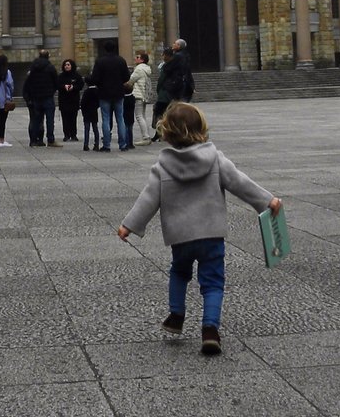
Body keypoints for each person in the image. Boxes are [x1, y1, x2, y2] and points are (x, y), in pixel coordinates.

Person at [118, 101, 282, 358]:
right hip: (211, 234)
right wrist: (266, 200)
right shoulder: (215, 158)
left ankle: (176, 315)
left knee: (179, 272)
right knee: (213, 282)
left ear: (167, 132)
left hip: (180, 237)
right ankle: (210, 331)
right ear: (202, 129)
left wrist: (129, 225)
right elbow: (240, 183)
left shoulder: (162, 166)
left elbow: (148, 199)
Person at [89, 38, 131, 152]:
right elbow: (127, 77)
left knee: (106, 119)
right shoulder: (121, 60)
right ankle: (123, 144)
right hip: (118, 92)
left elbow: (95, 78)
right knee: (120, 119)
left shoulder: (100, 61)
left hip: (104, 93)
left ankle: (106, 145)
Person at [23, 49, 59, 147]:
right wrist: (52, 91)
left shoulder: (33, 67)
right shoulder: (50, 67)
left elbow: (29, 82)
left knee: (36, 119)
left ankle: (34, 140)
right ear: (48, 56)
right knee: (50, 119)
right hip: (47, 96)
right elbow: (56, 82)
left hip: (36, 97)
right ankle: (50, 140)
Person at [127, 50, 153, 147]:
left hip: (138, 95)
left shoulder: (139, 69)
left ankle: (145, 137)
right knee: (142, 116)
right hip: (144, 94)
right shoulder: (146, 69)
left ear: (142, 60)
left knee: (139, 116)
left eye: (138, 57)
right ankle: (146, 136)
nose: (135, 58)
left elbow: (130, 80)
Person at [148, 45, 173, 143]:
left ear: (167, 56)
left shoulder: (167, 66)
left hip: (164, 95)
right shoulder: (176, 64)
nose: (162, 57)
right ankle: (160, 134)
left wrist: (159, 90)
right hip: (172, 94)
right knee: (166, 115)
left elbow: (161, 81)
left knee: (159, 114)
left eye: (163, 55)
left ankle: (161, 134)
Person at [56, 58, 84, 142]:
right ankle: (66, 134)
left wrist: (73, 87)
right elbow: (57, 85)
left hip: (73, 100)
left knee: (73, 118)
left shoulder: (77, 76)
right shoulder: (61, 76)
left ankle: (73, 134)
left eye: (68, 65)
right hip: (64, 100)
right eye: (65, 65)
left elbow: (80, 85)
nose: (66, 66)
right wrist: (64, 87)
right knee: (65, 118)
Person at [164, 37, 195, 105]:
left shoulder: (177, 56)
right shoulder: (186, 55)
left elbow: (167, 68)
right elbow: (188, 72)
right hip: (185, 84)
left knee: (176, 104)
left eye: (174, 43)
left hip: (177, 84)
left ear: (179, 46)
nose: (173, 44)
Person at [80, 80, 101, 150]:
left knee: (87, 129)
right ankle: (97, 144)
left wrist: (83, 110)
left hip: (87, 112)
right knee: (95, 128)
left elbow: (83, 103)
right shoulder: (97, 91)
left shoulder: (86, 92)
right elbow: (99, 102)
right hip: (94, 112)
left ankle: (86, 145)